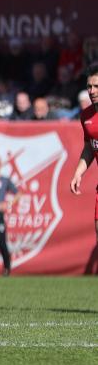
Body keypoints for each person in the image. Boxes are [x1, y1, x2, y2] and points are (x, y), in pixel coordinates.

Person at [70, 64, 98, 261]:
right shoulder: (86, 116)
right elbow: (89, 147)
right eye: (89, 86)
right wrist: (78, 172)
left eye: (96, 86)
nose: (92, 91)